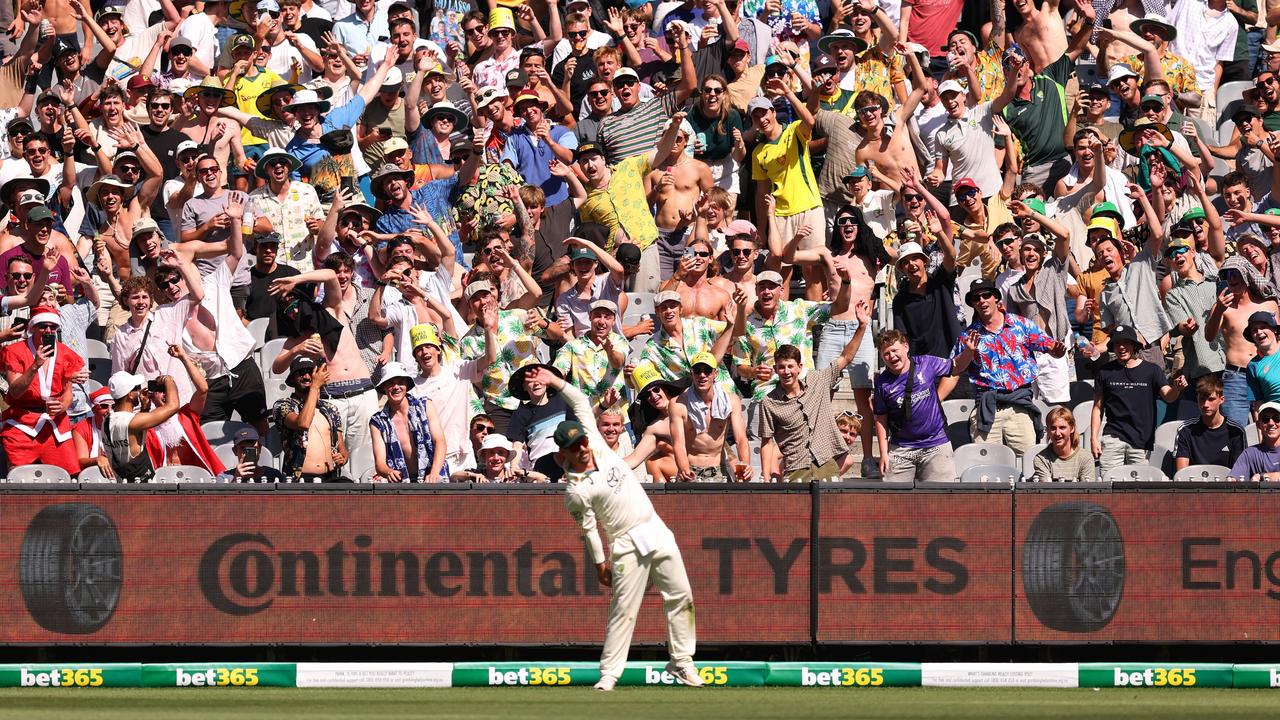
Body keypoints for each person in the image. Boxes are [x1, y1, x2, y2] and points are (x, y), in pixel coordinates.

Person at [532, 367, 702, 692]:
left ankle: (682, 662)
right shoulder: (575, 490)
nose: (583, 448)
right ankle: (609, 674)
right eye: (575, 446)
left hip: (655, 529)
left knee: (681, 596)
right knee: (623, 610)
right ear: (563, 454)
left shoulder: (597, 443)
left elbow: (581, 401)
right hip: (624, 543)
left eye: (582, 441)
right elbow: (589, 529)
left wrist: (553, 381)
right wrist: (599, 564)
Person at [757, 301, 872, 481]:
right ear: (775, 369)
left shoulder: (818, 380)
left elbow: (846, 356)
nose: (786, 372)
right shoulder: (769, 402)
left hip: (826, 464)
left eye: (790, 366)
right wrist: (766, 478)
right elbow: (766, 442)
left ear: (799, 367)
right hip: (795, 468)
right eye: (781, 367)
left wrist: (862, 326)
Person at [956, 278, 1067, 454]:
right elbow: (957, 368)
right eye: (977, 298)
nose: (982, 301)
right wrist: (969, 352)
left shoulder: (1021, 325)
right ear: (972, 304)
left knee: (1028, 461)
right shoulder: (968, 335)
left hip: (1019, 405)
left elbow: (1050, 347)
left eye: (986, 295)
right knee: (985, 464)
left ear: (996, 298)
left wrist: (1058, 350)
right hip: (987, 405)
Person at [872, 329, 976, 482]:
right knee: (892, 500)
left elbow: (957, 367)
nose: (891, 356)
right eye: (886, 353)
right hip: (902, 448)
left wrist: (968, 351)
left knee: (940, 498)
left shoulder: (926, 363)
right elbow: (881, 418)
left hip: (936, 444)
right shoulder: (882, 382)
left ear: (906, 347)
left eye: (894, 350)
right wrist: (883, 454)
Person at [0, 305, 84, 475]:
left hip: (55, 423)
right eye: (43, 326)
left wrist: (63, 406)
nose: (48, 330)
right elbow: (15, 391)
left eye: (53, 327)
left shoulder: (65, 353)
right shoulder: (15, 351)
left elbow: (68, 392)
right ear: (33, 327)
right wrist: (35, 365)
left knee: (67, 475)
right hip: (22, 421)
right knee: (18, 475)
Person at [1092, 326, 1187, 473]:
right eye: (1117, 343)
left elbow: (1169, 397)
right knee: (1108, 486)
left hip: (1141, 441)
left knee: (1137, 489)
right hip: (1112, 438)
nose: (1121, 347)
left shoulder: (1152, 370)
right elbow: (1097, 408)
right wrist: (1093, 438)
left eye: (1126, 343)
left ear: (1135, 345)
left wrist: (1177, 388)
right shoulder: (1104, 372)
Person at [670, 351, 750, 482]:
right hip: (690, 468)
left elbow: (741, 438)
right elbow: (678, 443)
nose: (702, 375)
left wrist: (745, 464)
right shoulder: (678, 404)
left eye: (707, 370)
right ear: (692, 373)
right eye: (697, 370)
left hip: (718, 468)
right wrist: (684, 469)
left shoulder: (731, 400)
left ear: (715, 373)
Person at [272, 356, 350, 482]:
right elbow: (303, 423)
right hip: (298, 479)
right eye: (301, 373)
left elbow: (342, 450)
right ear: (292, 378)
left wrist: (343, 458)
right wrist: (315, 387)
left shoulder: (331, 409)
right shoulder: (284, 405)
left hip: (330, 477)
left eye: (311, 372)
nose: (307, 377)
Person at [369, 361, 448, 483]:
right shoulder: (377, 422)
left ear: (406, 385)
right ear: (384, 387)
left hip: (434, 479)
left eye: (400, 382)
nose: (396, 387)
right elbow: (380, 464)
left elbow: (440, 442)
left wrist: (434, 473)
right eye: (390, 383)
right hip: (401, 485)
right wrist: (389, 472)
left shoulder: (426, 405)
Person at [506, 362, 577, 482]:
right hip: (540, 469)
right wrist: (513, 467)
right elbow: (517, 445)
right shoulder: (521, 413)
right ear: (523, 386)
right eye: (530, 380)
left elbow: (577, 428)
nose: (536, 383)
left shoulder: (563, 401)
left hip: (566, 464)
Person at [104, 371, 180, 483]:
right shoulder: (133, 422)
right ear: (130, 394)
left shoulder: (107, 420)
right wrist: (168, 380)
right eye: (137, 388)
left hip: (122, 483)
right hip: (142, 487)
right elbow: (173, 406)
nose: (140, 391)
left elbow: (132, 438)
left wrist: (144, 409)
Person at [1174, 375, 1248, 471]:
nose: (1205, 405)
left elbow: (1239, 473)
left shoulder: (1236, 431)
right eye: (1202, 399)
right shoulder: (1185, 430)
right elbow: (1181, 474)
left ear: (1221, 400)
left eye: (1211, 399)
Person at [450, 433, 551, 483]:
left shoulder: (516, 478)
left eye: (501, 453)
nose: (496, 457)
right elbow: (453, 477)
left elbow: (545, 480)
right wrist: (471, 476)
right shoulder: (475, 474)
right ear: (484, 455)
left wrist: (522, 473)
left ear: (507, 456)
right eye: (491, 453)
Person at [1032, 406, 1097, 482]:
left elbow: (1087, 491)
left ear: (1072, 428)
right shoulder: (1041, 459)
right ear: (1047, 430)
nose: (1057, 433)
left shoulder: (1086, 458)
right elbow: (1047, 491)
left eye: (1062, 428)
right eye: (1053, 428)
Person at [1230, 401, 1280, 480]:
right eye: (1265, 419)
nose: (1271, 423)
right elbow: (1233, 479)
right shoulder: (1249, 453)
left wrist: (1262, 476)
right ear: (1258, 425)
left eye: (1277, 418)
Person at [217, 427, 287, 482]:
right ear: (235, 451)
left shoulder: (273, 475)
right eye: (243, 449)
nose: (248, 453)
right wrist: (236, 480)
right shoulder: (224, 477)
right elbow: (221, 500)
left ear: (259, 449)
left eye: (253, 448)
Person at [1247, 310, 1280, 408]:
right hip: (1275, 418)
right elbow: (1258, 403)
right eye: (1254, 330)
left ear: (1274, 329)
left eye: (1263, 327)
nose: (1259, 332)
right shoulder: (1253, 365)